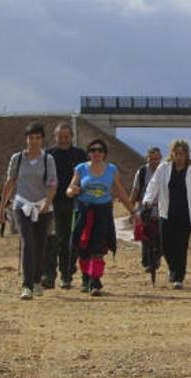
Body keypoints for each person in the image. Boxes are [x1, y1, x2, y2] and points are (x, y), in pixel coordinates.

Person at [143, 139, 191, 289]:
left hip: (186, 214)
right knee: (166, 246)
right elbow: (154, 184)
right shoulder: (164, 168)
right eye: (176, 153)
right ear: (172, 154)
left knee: (181, 245)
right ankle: (172, 268)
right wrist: (147, 200)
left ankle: (179, 277)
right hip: (166, 212)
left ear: (187, 155)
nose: (179, 157)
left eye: (182, 154)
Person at [65, 139, 135, 296]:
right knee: (83, 249)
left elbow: (120, 192)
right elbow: (70, 188)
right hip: (84, 212)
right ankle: (86, 277)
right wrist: (72, 191)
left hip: (103, 213)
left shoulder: (111, 169)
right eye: (93, 150)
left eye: (100, 150)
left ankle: (95, 281)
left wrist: (133, 211)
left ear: (104, 154)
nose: (97, 153)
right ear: (89, 153)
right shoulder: (81, 168)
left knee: (99, 248)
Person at [0, 122, 57, 300]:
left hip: (43, 207)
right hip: (22, 205)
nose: (34, 141)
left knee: (40, 245)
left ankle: (37, 281)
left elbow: (53, 184)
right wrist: (2, 208)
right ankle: (27, 286)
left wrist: (48, 200)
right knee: (27, 242)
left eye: (38, 138)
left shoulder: (48, 160)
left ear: (42, 139)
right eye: (31, 138)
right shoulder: (18, 158)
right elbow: (10, 183)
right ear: (26, 139)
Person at [42, 122, 88, 289]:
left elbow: (87, 177)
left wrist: (80, 188)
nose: (63, 140)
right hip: (52, 202)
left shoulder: (80, 154)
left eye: (66, 137)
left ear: (72, 137)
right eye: (60, 137)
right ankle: (48, 275)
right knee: (51, 239)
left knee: (70, 241)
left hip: (74, 204)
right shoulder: (47, 155)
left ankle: (66, 275)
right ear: (55, 137)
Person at [130, 147, 163, 278]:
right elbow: (135, 191)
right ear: (147, 159)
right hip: (145, 209)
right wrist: (131, 210)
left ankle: (156, 258)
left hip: (161, 209)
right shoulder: (142, 172)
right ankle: (148, 263)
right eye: (151, 159)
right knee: (146, 237)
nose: (154, 162)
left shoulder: (165, 171)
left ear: (160, 158)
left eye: (156, 159)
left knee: (159, 237)